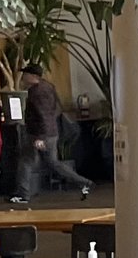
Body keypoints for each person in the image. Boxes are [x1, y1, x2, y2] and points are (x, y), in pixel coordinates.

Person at [17, 64, 92, 197]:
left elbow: (43, 115)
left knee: (27, 161)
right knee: (52, 163)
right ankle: (83, 182)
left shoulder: (37, 92)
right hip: (51, 131)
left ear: (33, 76)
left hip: (40, 133)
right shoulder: (48, 86)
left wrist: (40, 137)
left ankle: (23, 194)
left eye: (25, 74)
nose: (23, 77)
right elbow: (55, 108)